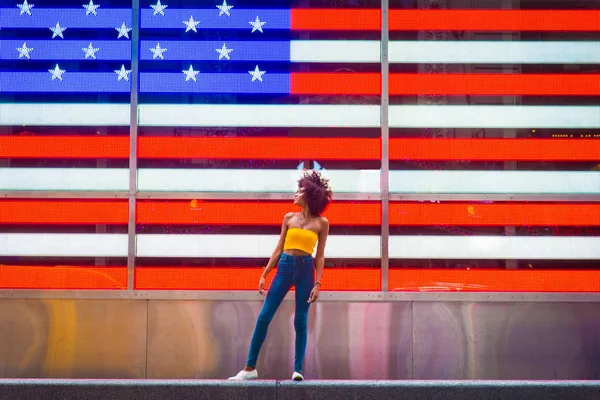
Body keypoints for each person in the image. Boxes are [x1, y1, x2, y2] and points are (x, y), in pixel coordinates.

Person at [228, 170, 332, 381]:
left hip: (305, 270)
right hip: (284, 266)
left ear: (309, 195)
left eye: (299, 191)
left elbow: (319, 256)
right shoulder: (288, 218)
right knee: (264, 316)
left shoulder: (322, 223)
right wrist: (265, 273)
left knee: (300, 321)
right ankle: (250, 368)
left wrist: (318, 283)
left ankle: (298, 370)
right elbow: (278, 248)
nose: (295, 194)